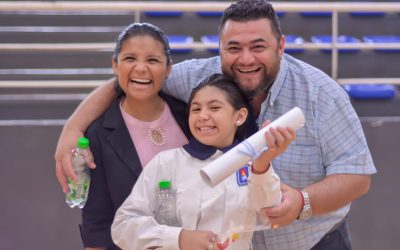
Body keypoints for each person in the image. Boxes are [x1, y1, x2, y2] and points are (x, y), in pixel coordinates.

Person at [55, 0, 377, 249]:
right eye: (234, 48)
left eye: (258, 47)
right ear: (220, 48)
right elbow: (135, 80)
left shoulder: (322, 94)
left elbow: (357, 176)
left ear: (280, 46)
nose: (246, 59)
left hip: (312, 243)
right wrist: (73, 127)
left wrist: (302, 203)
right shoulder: (199, 79)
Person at [111, 73, 296, 250]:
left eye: (214, 108)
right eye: (196, 109)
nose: (203, 116)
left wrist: (261, 166)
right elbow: (123, 226)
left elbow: (270, 214)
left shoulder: (254, 167)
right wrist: (179, 238)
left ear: (239, 116)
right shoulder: (166, 163)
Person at [79, 23, 193, 249]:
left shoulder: (191, 117)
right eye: (130, 59)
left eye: (152, 60)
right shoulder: (98, 133)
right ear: (115, 65)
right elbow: (97, 219)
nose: (141, 68)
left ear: (168, 68)